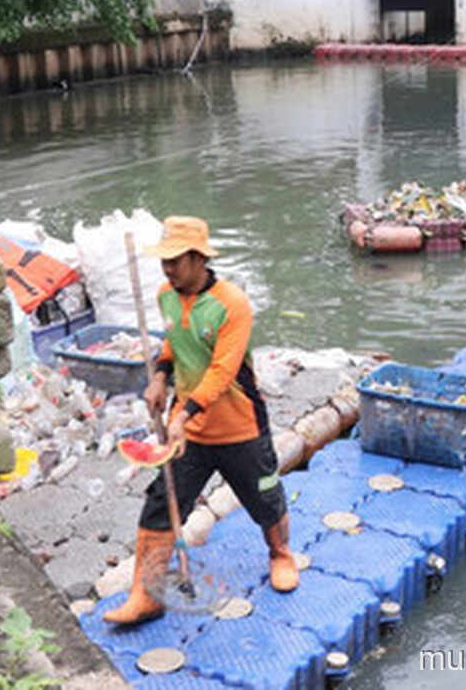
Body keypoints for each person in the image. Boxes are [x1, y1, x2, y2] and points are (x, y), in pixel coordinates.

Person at [104, 216, 297, 626]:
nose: (167, 269)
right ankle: (147, 593)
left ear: (198, 258)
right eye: (164, 261)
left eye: (175, 261)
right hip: (187, 429)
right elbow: (174, 346)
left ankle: (281, 555)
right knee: (161, 502)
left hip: (239, 426)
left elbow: (223, 371)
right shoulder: (165, 296)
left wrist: (186, 411)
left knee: (265, 498)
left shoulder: (233, 304)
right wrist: (159, 377)